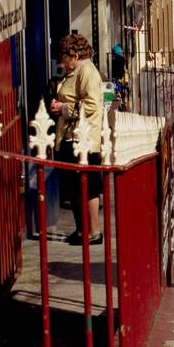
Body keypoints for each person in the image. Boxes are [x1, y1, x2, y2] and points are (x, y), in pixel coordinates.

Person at [50, 33, 106, 246]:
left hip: (83, 139)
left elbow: (91, 105)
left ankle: (93, 231)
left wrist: (62, 108)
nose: (62, 63)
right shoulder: (77, 72)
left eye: (64, 58)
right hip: (71, 136)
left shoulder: (87, 72)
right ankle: (82, 229)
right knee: (75, 187)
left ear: (73, 55)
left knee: (87, 186)